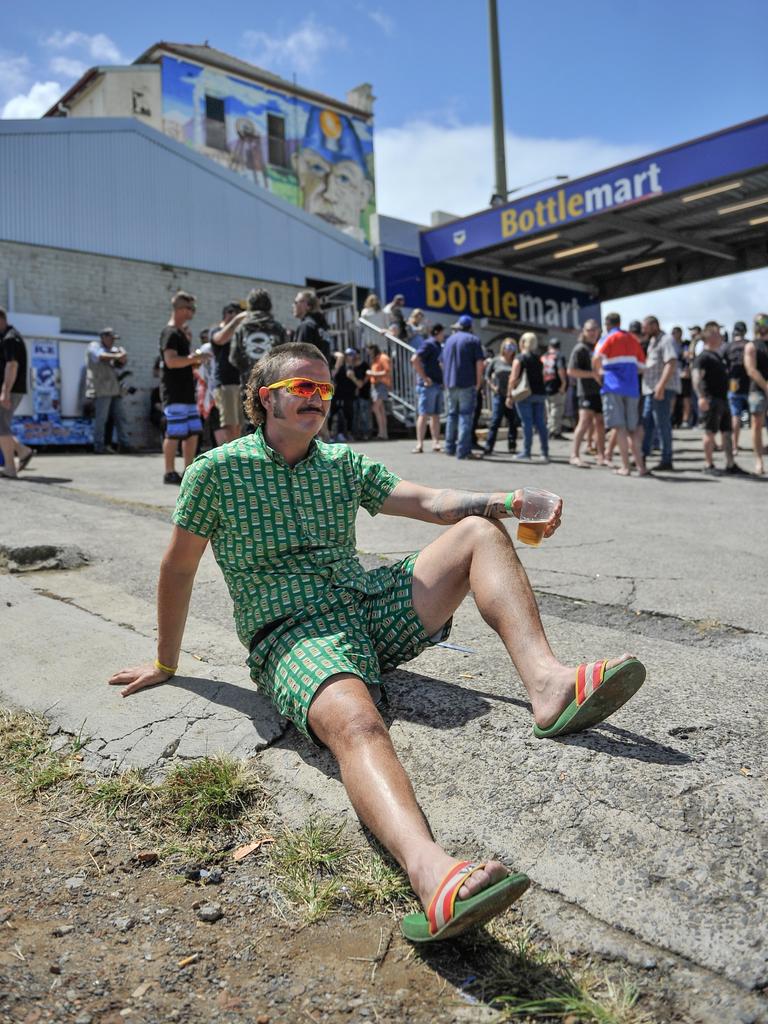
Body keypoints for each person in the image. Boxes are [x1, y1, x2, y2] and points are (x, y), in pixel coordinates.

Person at [108, 341, 646, 943]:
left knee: (478, 532)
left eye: (324, 389)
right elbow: (178, 568)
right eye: (303, 388)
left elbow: (429, 502)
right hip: (292, 634)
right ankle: (434, 876)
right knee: (359, 725)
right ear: (267, 399)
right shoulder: (216, 472)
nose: (317, 398)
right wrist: (165, 660)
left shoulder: (339, 464)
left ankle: (549, 684)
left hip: (363, 609)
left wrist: (509, 501)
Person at [159, 291, 209, 485]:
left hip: (187, 392)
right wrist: (195, 359)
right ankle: (169, 472)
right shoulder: (170, 332)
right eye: (190, 308)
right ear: (180, 309)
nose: (192, 312)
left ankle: (188, 471)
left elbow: (183, 362)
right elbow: (170, 361)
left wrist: (194, 362)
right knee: (174, 433)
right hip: (174, 392)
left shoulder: (180, 333)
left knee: (192, 432)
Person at [594, 313, 648, 477]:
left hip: (613, 387)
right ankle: (641, 467)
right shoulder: (633, 340)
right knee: (633, 429)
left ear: (607, 324)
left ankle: (626, 467)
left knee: (620, 429)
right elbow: (642, 367)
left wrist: (600, 375)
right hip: (632, 388)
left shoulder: (608, 338)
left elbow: (596, 359)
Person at [692, 322, 747, 476]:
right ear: (709, 337)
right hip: (710, 399)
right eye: (716, 334)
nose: (720, 336)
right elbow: (696, 378)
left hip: (723, 399)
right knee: (709, 432)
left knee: (727, 432)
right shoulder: (703, 357)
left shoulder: (718, 356)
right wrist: (701, 397)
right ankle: (708, 464)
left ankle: (730, 464)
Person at [442, 315, 485, 461]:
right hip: (467, 383)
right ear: (470, 326)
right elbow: (480, 363)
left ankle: (449, 448)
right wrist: (479, 382)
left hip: (450, 384)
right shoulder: (473, 340)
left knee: (452, 415)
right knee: (465, 416)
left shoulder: (449, 340)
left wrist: (446, 378)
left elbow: (441, 363)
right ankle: (463, 451)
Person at [640, 316, 679, 472]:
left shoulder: (666, 340)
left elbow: (671, 363)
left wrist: (661, 386)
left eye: (646, 327)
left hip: (661, 390)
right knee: (647, 424)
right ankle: (641, 456)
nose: (644, 330)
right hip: (650, 389)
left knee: (662, 425)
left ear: (654, 325)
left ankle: (666, 459)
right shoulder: (652, 341)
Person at [229, 289, 287, 389]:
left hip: (248, 385)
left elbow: (233, 358)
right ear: (269, 305)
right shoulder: (278, 328)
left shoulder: (241, 328)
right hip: (273, 384)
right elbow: (287, 356)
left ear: (250, 305)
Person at [86, 328, 132, 454]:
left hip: (114, 389)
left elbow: (120, 364)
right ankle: (98, 446)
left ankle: (125, 445)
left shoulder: (112, 351)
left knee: (121, 417)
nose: (113, 342)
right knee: (101, 419)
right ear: (103, 337)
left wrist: (122, 358)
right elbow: (100, 356)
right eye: (111, 338)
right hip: (101, 389)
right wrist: (117, 355)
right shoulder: (94, 346)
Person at [0, 307, 34, 479]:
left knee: (1, 427)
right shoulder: (7, 337)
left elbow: (12, 366)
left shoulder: (10, 338)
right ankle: (23, 451)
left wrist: (5, 393)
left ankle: (10, 468)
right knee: (1, 426)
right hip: (9, 389)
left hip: (10, 389)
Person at [568, 320, 606, 467]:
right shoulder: (580, 349)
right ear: (584, 331)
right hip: (586, 392)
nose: (592, 332)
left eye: (594, 329)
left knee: (600, 424)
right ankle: (574, 455)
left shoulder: (599, 348)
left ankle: (602, 455)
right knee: (584, 423)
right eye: (589, 330)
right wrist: (593, 374)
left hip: (600, 391)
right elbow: (571, 371)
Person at [209, 302, 248, 445]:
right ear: (228, 314)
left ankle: (236, 457)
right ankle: (232, 460)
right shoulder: (215, 330)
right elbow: (220, 339)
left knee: (238, 425)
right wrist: (237, 319)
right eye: (234, 313)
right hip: (225, 383)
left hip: (238, 383)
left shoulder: (238, 334)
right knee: (229, 424)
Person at [508, 333, 548, 463]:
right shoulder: (539, 359)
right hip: (540, 393)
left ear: (523, 342)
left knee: (527, 424)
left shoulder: (519, 358)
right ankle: (544, 452)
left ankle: (526, 451)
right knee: (541, 423)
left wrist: (509, 395)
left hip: (525, 394)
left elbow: (513, 378)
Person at [411, 324, 444, 453]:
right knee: (424, 414)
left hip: (436, 384)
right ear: (436, 332)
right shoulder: (429, 344)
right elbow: (415, 359)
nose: (443, 336)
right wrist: (424, 378)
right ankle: (419, 444)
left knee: (435, 415)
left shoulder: (437, 346)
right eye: (442, 333)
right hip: (428, 385)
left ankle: (435, 442)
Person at [483, 338, 519, 455]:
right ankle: (489, 446)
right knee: (495, 421)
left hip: (512, 396)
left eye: (512, 348)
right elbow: (487, 376)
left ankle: (512, 445)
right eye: (508, 347)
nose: (509, 350)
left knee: (513, 422)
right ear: (503, 348)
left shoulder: (516, 361)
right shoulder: (496, 360)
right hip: (499, 395)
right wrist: (493, 387)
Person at [744, 313, 768, 476]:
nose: (762, 325)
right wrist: (766, 386)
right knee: (756, 423)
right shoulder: (751, 346)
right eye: (759, 322)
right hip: (758, 389)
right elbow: (751, 370)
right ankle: (759, 460)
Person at [725, 322, 751, 452]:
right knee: (757, 416)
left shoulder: (729, 346)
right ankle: (759, 444)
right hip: (750, 383)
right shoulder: (749, 344)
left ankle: (734, 445)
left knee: (735, 415)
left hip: (733, 384)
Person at [293, 290, 333, 365]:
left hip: (308, 374)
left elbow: (300, 358)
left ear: (308, 306)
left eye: (296, 302)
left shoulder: (306, 326)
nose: (293, 305)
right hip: (323, 374)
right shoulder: (323, 326)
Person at [330, 348, 359, 442]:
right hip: (338, 395)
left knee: (349, 415)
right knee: (334, 414)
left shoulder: (356, 367)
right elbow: (333, 378)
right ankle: (334, 434)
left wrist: (353, 377)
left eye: (352, 355)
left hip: (349, 396)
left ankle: (349, 434)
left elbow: (359, 383)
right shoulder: (340, 367)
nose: (351, 357)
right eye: (349, 355)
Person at [541, 339, 568, 439]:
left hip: (545, 386)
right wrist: (563, 384)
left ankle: (549, 429)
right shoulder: (559, 356)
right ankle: (554, 431)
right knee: (557, 408)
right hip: (556, 386)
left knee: (549, 410)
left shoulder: (543, 356)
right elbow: (561, 369)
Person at [366, 343, 392, 440]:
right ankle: (383, 433)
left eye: (369, 351)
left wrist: (372, 373)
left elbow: (387, 371)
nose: (368, 353)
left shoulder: (383, 358)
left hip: (381, 385)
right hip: (376, 386)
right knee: (381, 410)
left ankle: (382, 433)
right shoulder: (376, 359)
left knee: (376, 408)